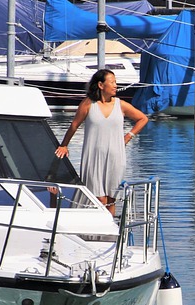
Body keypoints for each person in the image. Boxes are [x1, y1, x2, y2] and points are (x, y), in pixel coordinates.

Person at [55, 68, 148, 214]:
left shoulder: (120, 104)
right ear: (101, 85)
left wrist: (128, 136)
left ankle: (110, 233)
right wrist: (64, 145)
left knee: (112, 198)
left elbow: (143, 119)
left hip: (116, 157)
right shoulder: (88, 104)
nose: (115, 85)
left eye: (115, 82)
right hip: (93, 157)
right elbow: (74, 125)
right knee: (99, 199)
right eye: (112, 82)